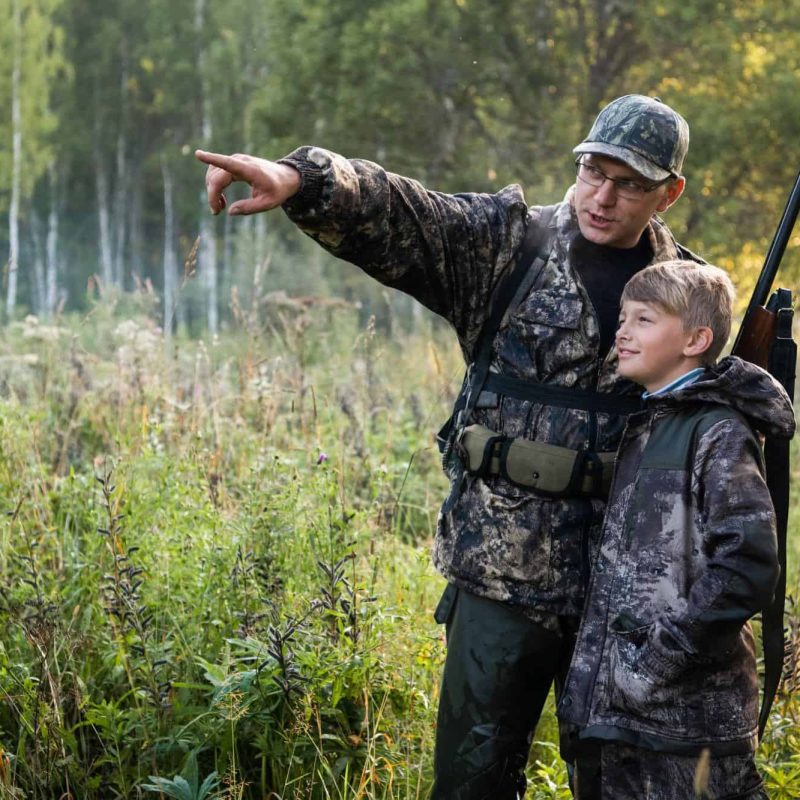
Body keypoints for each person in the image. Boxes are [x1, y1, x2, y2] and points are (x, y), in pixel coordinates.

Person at [197, 94, 697, 798]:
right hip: (500, 576)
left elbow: (716, 437)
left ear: (669, 192)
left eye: (630, 183)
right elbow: (403, 211)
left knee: (623, 783)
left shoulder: (689, 298)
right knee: (471, 783)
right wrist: (301, 180)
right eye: (593, 171)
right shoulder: (508, 246)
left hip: (627, 589)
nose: (603, 196)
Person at [557, 260, 795, 800]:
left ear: (696, 339)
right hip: (624, 717)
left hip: (685, 726)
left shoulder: (718, 432)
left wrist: (655, 661)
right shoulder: (648, 422)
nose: (622, 331)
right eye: (623, 317)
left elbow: (746, 566)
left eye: (644, 319)